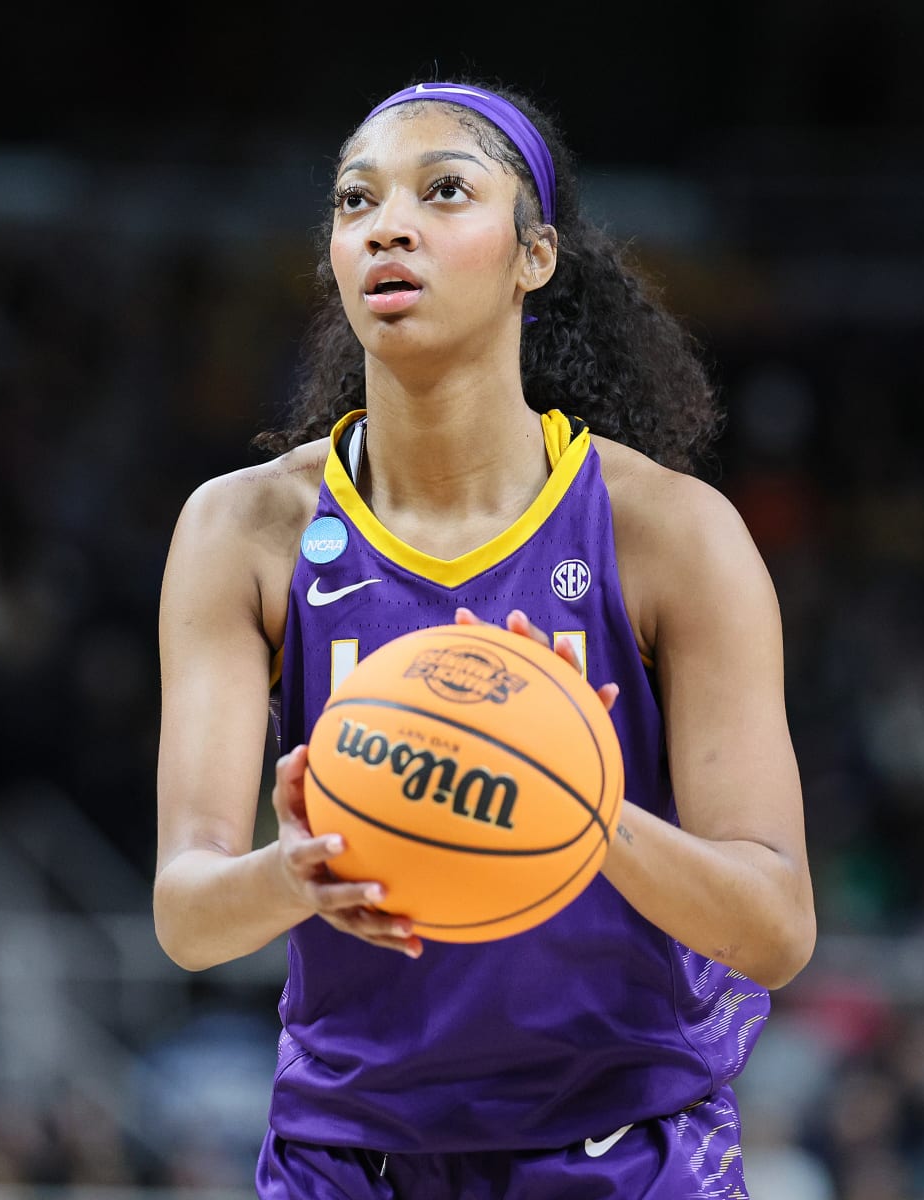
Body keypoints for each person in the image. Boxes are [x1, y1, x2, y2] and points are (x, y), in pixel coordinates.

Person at [153, 80, 814, 1198]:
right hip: (348, 1151)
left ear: (534, 255)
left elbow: (776, 927)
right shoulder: (244, 527)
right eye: (356, 201)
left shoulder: (671, 533)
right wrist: (293, 874)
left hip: (626, 1145)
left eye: (444, 191)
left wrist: (584, 814)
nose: (388, 224)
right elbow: (187, 913)